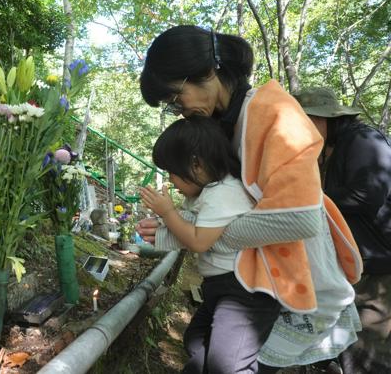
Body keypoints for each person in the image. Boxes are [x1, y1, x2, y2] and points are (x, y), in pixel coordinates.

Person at [136, 25, 362, 373]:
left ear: (208, 72)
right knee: (201, 354)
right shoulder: (223, 122)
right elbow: (217, 210)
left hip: (288, 276)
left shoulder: (275, 113)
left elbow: (299, 219)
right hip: (250, 276)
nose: (178, 109)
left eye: (175, 97)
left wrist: (202, 237)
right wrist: (177, 231)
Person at [140, 116, 280, 373]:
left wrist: (168, 212)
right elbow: (193, 227)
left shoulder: (223, 192)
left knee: (226, 364)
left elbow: (199, 241)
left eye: (172, 171)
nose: (171, 180)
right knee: (196, 340)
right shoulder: (206, 193)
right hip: (222, 286)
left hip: (246, 292)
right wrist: (161, 229)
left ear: (197, 164)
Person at [294, 87, 391, 373]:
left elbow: (367, 194)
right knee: (347, 340)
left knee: (372, 343)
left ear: (326, 119)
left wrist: (311, 198)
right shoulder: (330, 149)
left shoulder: (363, 140)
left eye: (305, 121)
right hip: (354, 261)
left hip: (379, 262)